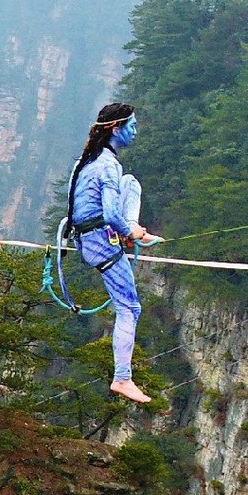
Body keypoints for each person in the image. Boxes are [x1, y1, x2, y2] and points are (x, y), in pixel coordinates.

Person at [68, 101, 160, 404]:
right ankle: (122, 378)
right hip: (98, 241)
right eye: (131, 125)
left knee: (130, 184)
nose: (136, 130)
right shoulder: (107, 164)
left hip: (87, 234)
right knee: (129, 308)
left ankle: (133, 229)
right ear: (116, 128)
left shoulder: (89, 159)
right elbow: (108, 212)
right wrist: (127, 232)